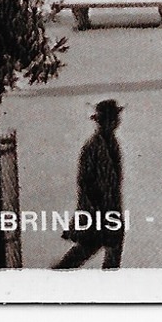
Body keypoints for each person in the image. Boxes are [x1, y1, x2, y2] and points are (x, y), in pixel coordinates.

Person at [53, 99, 126, 269]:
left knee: (110, 252)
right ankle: (56, 276)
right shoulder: (93, 147)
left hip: (111, 209)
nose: (117, 122)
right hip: (97, 211)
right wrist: (94, 209)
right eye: (114, 118)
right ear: (106, 121)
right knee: (89, 248)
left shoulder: (112, 143)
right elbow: (84, 182)